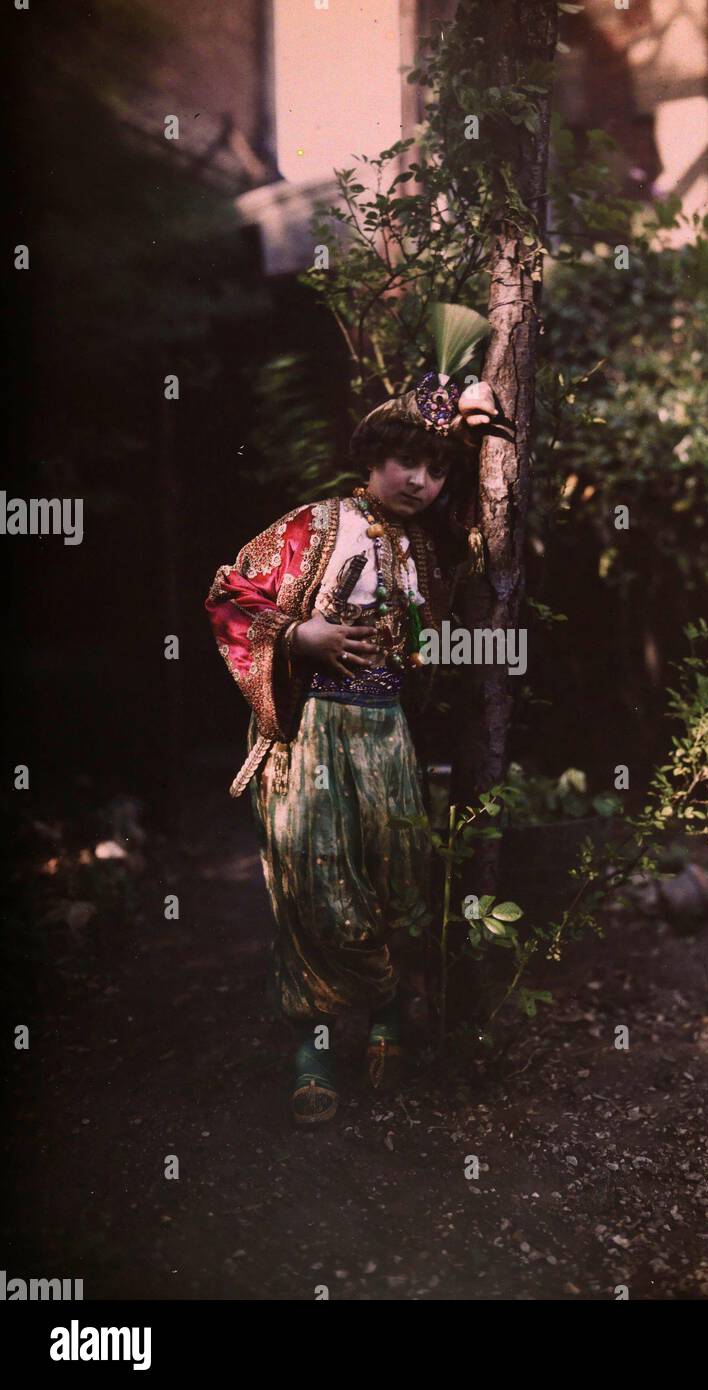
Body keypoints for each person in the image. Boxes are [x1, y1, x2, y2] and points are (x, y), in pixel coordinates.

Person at [205, 322, 497, 1125]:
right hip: (310, 737)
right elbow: (232, 594)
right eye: (408, 461)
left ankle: (391, 1021)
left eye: (437, 469)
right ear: (372, 458)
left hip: (387, 737)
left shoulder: (429, 551)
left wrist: (471, 413)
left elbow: (484, 518)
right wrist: (302, 635)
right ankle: (312, 1055)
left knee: (398, 880)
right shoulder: (314, 525)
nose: (422, 481)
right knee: (315, 888)